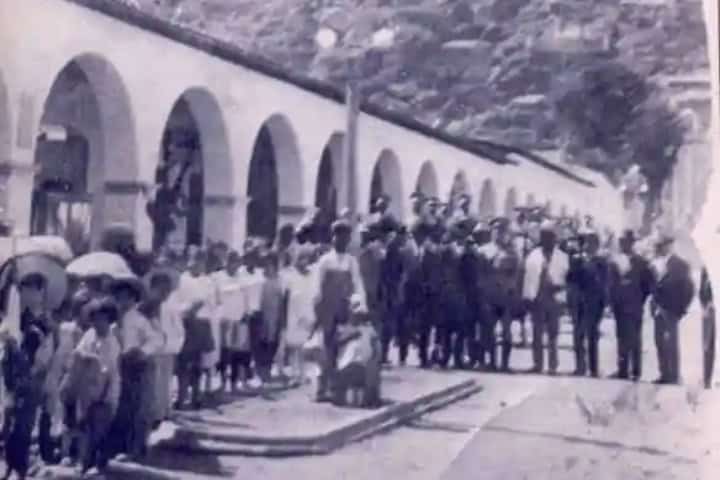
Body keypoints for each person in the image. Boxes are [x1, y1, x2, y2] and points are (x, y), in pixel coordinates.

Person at [108, 274, 162, 460]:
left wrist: (142, 352)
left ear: (133, 299)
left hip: (136, 367)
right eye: (119, 297)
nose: (122, 301)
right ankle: (118, 447)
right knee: (120, 408)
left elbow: (156, 340)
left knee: (137, 408)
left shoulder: (139, 319)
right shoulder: (113, 321)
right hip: (118, 366)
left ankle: (135, 448)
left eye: (126, 297)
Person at [66, 297, 122, 475]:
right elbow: (78, 352)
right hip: (88, 388)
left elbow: (109, 371)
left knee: (100, 428)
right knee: (85, 426)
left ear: (109, 320)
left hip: (105, 392)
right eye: (95, 319)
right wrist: (87, 357)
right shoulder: (90, 334)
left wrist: (103, 395)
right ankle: (84, 462)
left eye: (102, 319)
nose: (98, 323)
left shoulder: (112, 343)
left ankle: (99, 463)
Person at [313, 220, 366, 402]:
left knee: (343, 348)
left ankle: (337, 388)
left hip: (344, 311)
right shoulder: (325, 261)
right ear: (333, 238)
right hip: (327, 310)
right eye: (338, 236)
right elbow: (316, 287)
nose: (341, 241)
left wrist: (359, 306)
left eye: (345, 237)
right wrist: (316, 310)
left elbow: (358, 286)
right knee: (324, 348)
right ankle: (322, 388)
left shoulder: (351, 262)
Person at [523, 220, 569, 375]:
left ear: (555, 238)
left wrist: (560, 291)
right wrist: (527, 296)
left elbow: (566, 278)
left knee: (553, 334)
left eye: (550, 236)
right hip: (537, 298)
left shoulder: (562, 257)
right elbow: (528, 277)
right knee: (536, 333)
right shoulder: (533, 256)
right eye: (544, 236)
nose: (547, 239)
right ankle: (537, 363)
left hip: (554, 298)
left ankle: (552, 365)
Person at [608, 229, 653, 381]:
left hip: (634, 305)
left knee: (635, 338)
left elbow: (648, 284)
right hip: (619, 305)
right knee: (621, 337)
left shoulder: (641, 262)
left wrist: (640, 298)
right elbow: (611, 284)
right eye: (622, 242)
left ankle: (636, 370)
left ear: (632, 243)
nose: (624, 245)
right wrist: (613, 300)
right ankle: (622, 369)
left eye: (626, 242)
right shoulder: (615, 262)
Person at [649, 232, 695, 385]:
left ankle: (674, 376)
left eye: (663, 245)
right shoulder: (655, 263)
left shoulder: (680, 265)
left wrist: (681, 309)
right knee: (659, 342)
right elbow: (653, 286)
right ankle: (664, 374)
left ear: (670, 246)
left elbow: (689, 289)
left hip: (671, 309)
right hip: (658, 309)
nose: (661, 248)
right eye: (659, 246)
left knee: (671, 343)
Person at [572, 230, 609, 378]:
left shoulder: (601, 262)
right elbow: (572, 280)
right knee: (578, 334)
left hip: (595, 303)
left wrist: (604, 302)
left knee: (593, 335)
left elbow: (605, 283)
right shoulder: (577, 260)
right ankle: (580, 366)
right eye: (587, 242)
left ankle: (593, 368)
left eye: (592, 243)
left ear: (597, 245)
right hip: (580, 301)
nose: (589, 246)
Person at [284, 250, 317, 386]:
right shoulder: (290, 276)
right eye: (300, 259)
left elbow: (314, 296)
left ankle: (304, 374)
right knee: (293, 347)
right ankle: (294, 375)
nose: (303, 262)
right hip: (293, 315)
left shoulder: (312, 276)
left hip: (308, 314)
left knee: (305, 347)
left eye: (305, 259)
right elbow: (286, 297)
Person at [256, 252, 289, 384]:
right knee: (261, 344)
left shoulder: (280, 281)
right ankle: (261, 371)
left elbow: (283, 300)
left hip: (275, 316)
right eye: (266, 264)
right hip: (262, 316)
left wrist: (282, 318)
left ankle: (268, 370)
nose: (268, 267)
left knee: (273, 344)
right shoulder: (260, 279)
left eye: (271, 265)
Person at [700, 266, 715, 389]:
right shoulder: (705, 269)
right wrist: (705, 305)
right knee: (708, 347)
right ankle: (707, 380)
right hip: (709, 315)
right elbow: (702, 292)